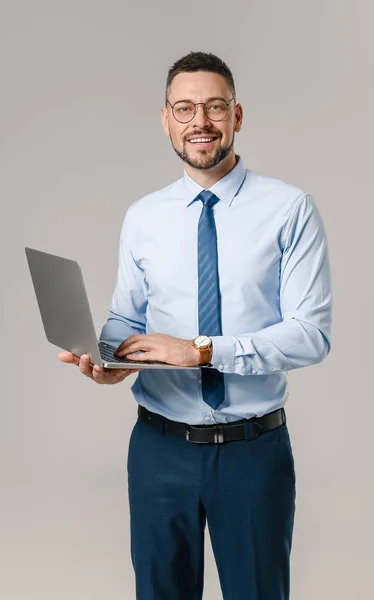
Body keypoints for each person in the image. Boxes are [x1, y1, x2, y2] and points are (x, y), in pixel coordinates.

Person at [59, 51, 332, 600]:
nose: (200, 122)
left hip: (253, 453)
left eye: (214, 106)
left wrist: (201, 351)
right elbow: (128, 316)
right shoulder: (144, 216)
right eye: (185, 108)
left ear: (237, 115)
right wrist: (110, 357)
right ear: (166, 120)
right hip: (160, 451)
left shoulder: (289, 209)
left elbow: (311, 334)